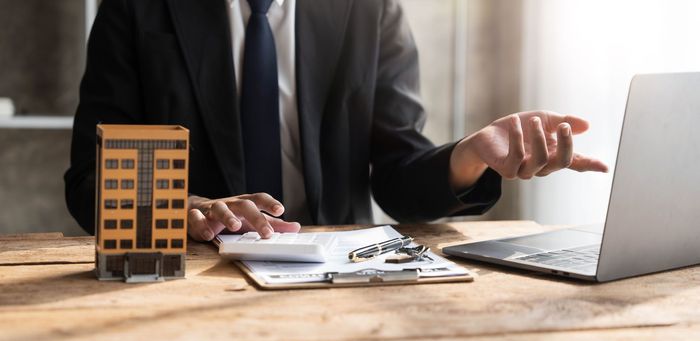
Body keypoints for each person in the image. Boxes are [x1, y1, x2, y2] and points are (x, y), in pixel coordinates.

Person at [65, 0, 607, 241]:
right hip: (192, 270)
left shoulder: (370, 8)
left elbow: (397, 174)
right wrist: (176, 207)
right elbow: (89, 180)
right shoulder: (135, 8)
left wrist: (469, 156)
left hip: (334, 270)